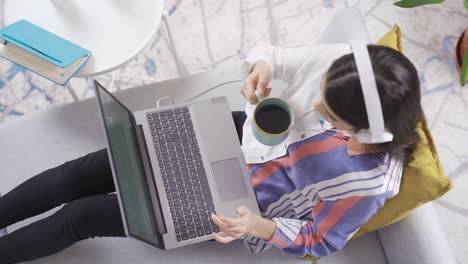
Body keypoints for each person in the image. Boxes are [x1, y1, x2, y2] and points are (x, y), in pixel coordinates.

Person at [0, 43, 423, 263]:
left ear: (367, 128)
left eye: (330, 114)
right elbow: (275, 57)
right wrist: (263, 67)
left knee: (83, 217)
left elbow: (322, 239)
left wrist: (259, 227)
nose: (315, 110)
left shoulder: (368, 185)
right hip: (234, 136)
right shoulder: (352, 73)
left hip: (238, 203)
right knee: (81, 172)